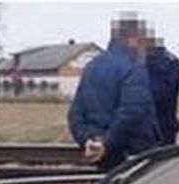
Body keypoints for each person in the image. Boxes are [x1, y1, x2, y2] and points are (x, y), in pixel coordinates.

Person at [67, 14, 160, 171]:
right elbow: (132, 112)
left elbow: (75, 113)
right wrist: (107, 143)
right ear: (131, 39)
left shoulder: (91, 67)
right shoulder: (133, 68)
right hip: (131, 153)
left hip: (102, 155)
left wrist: (87, 140)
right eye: (143, 40)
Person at [146, 34, 179, 146]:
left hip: (161, 127)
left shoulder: (168, 63)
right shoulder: (171, 60)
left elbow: (160, 95)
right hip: (162, 127)